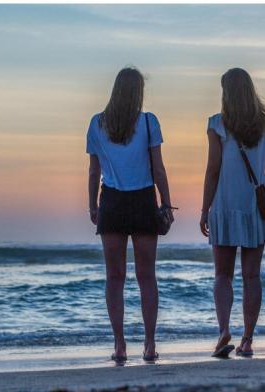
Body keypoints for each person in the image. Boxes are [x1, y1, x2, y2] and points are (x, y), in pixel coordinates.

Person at [86, 67, 174, 363]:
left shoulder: (97, 124)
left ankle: (120, 344)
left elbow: (94, 170)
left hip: (111, 201)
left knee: (115, 278)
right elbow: (158, 168)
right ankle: (149, 344)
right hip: (142, 200)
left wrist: (92, 206)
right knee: (146, 277)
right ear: (138, 92)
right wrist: (167, 202)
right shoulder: (149, 122)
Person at [200, 67, 265, 358]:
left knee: (222, 275)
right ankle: (247, 339)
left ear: (226, 93)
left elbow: (213, 171)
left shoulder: (217, 124)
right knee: (252, 276)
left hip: (225, 205)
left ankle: (224, 330)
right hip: (255, 209)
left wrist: (204, 209)